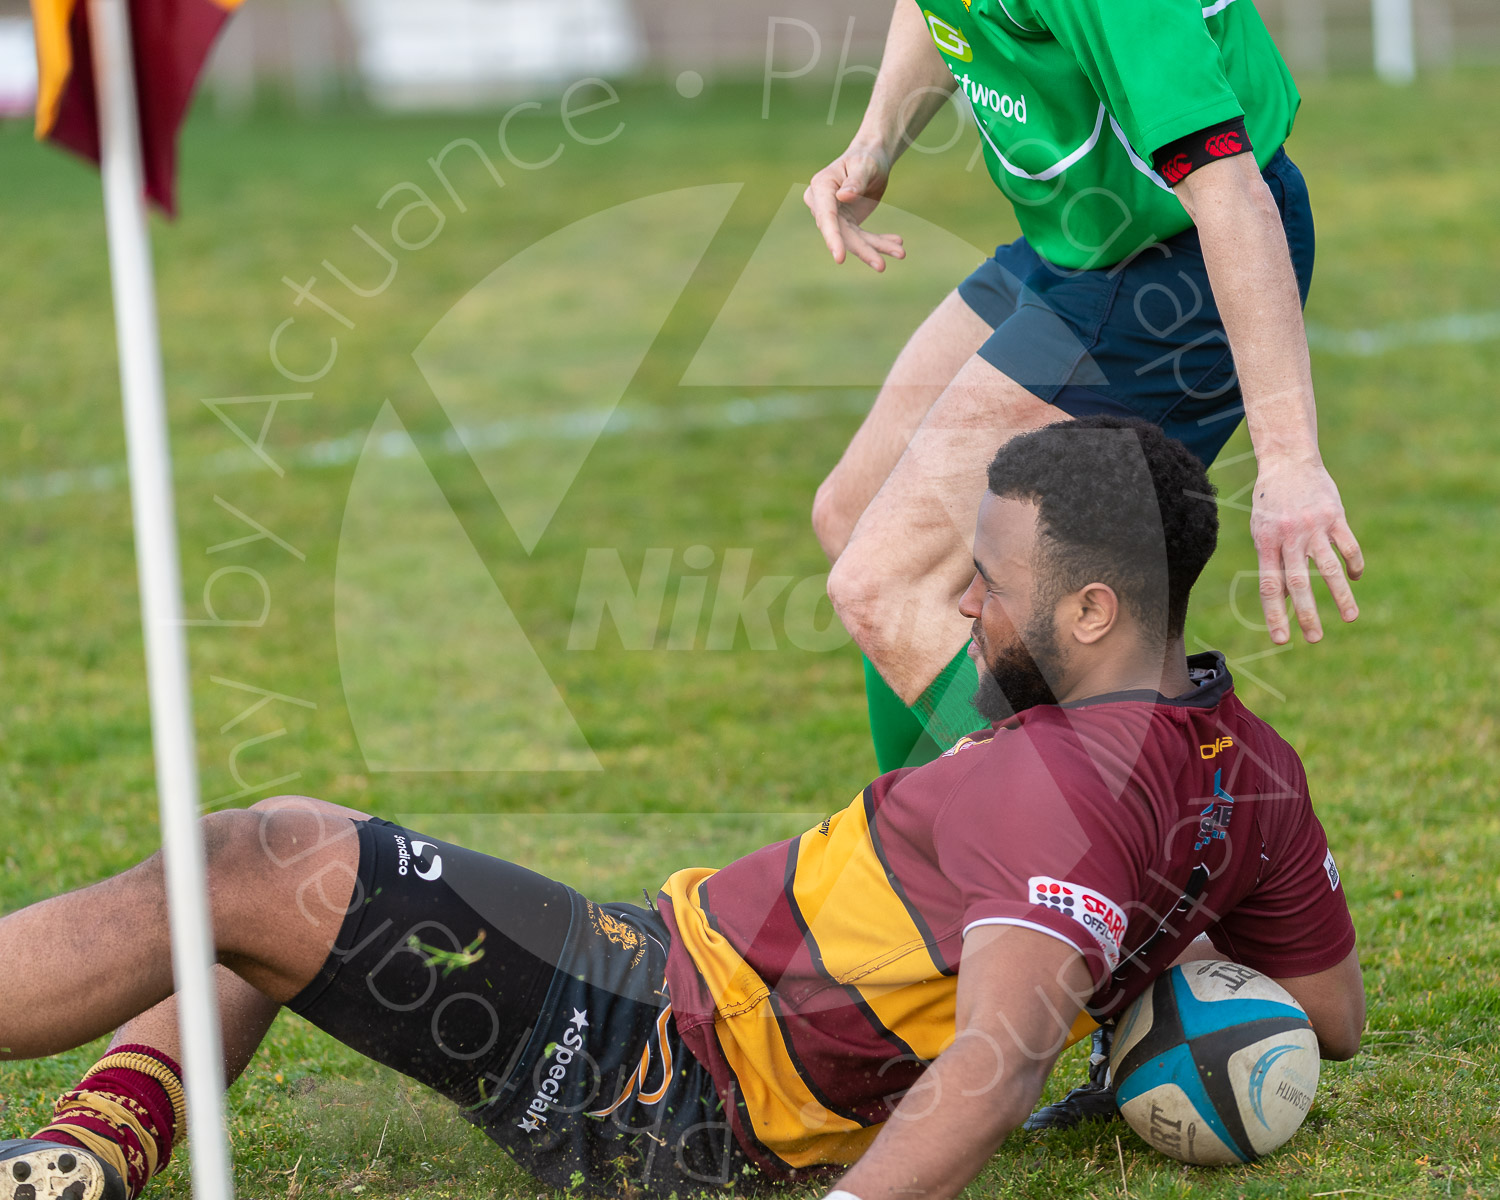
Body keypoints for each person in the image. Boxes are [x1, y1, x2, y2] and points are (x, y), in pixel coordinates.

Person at [0, 419, 1364, 1200]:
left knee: (259, 857)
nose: (963, 603)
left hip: (665, 1068)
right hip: (670, 991)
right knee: (301, 882)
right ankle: (83, 1156)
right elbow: (1332, 1012)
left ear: (1089, 608)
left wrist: (1095, 980)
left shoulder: (1048, 787)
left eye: (990, 580)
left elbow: (993, 1067)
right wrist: (1152, 971)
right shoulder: (1253, 765)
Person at [803, 0, 1366, 778]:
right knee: (853, 515)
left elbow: (1231, 195)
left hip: (1178, 266)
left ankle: (1066, 868)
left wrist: (1291, 460)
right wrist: (875, 143)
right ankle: (931, 846)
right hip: (1074, 244)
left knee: (886, 583)